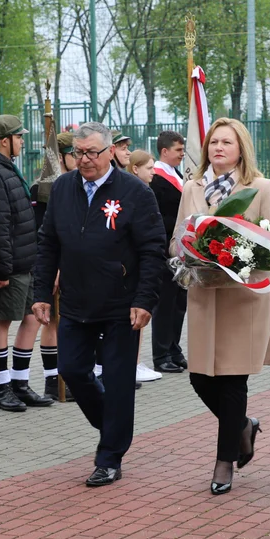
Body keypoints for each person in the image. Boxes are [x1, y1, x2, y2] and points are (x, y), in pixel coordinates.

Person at [32, 122, 167, 487]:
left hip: (122, 304)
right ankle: (114, 425)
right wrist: (42, 292)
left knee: (119, 381)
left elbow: (153, 249)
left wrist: (145, 300)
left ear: (110, 152)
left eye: (92, 152)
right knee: (72, 369)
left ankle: (109, 457)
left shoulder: (134, 191)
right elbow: (48, 244)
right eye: (78, 153)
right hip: (76, 300)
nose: (85, 160)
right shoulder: (62, 188)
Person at [174, 118, 270, 495]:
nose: (219, 148)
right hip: (205, 295)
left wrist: (240, 255)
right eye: (214, 142)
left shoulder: (260, 187)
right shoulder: (192, 187)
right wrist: (188, 255)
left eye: (227, 142)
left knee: (233, 379)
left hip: (245, 299)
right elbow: (178, 238)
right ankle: (243, 426)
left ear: (242, 149)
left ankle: (225, 463)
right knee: (200, 378)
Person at [0, 114, 53, 412]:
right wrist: (0, 269)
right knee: (2, 320)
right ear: (4, 140)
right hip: (8, 267)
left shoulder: (5, 168)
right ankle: (1, 388)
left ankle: (20, 383)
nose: (22, 141)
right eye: (18, 137)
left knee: (32, 318)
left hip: (25, 262)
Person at [29, 131, 76, 401]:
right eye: (73, 154)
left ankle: (66, 377)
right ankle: (52, 380)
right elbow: (43, 232)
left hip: (74, 265)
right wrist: (54, 267)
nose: (79, 159)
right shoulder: (43, 188)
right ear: (59, 157)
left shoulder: (74, 184)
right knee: (53, 323)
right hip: (54, 264)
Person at [150, 130, 188, 374]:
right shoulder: (156, 178)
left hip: (182, 251)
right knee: (164, 305)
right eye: (178, 150)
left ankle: (174, 348)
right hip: (165, 249)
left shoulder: (177, 175)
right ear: (165, 151)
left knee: (179, 303)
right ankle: (160, 354)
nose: (182, 154)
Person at [126, 149, 163, 385]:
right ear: (135, 168)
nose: (153, 173)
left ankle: (134, 362)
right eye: (149, 168)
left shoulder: (144, 191)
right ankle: (130, 363)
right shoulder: (131, 192)